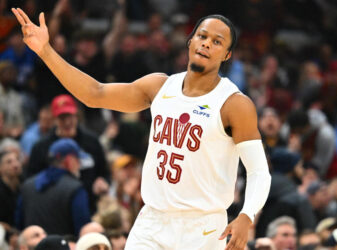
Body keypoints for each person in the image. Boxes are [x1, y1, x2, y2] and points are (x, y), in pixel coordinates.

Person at [11, 9, 272, 250]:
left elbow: (259, 171)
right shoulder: (160, 87)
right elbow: (95, 94)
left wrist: (246, 216)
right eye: (202, 36)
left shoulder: (234, 104)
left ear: (227, 55)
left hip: (202, 228)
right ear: (190, 41)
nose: (206, 43)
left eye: (217, 42)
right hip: (152, 221)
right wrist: (45, 51)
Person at [16, 138, 91, 236]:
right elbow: (83, 230)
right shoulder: (76, 189)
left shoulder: (27, 185)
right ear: (69, 160)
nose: (79, 164)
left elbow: (19, 224)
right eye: (78, 159)